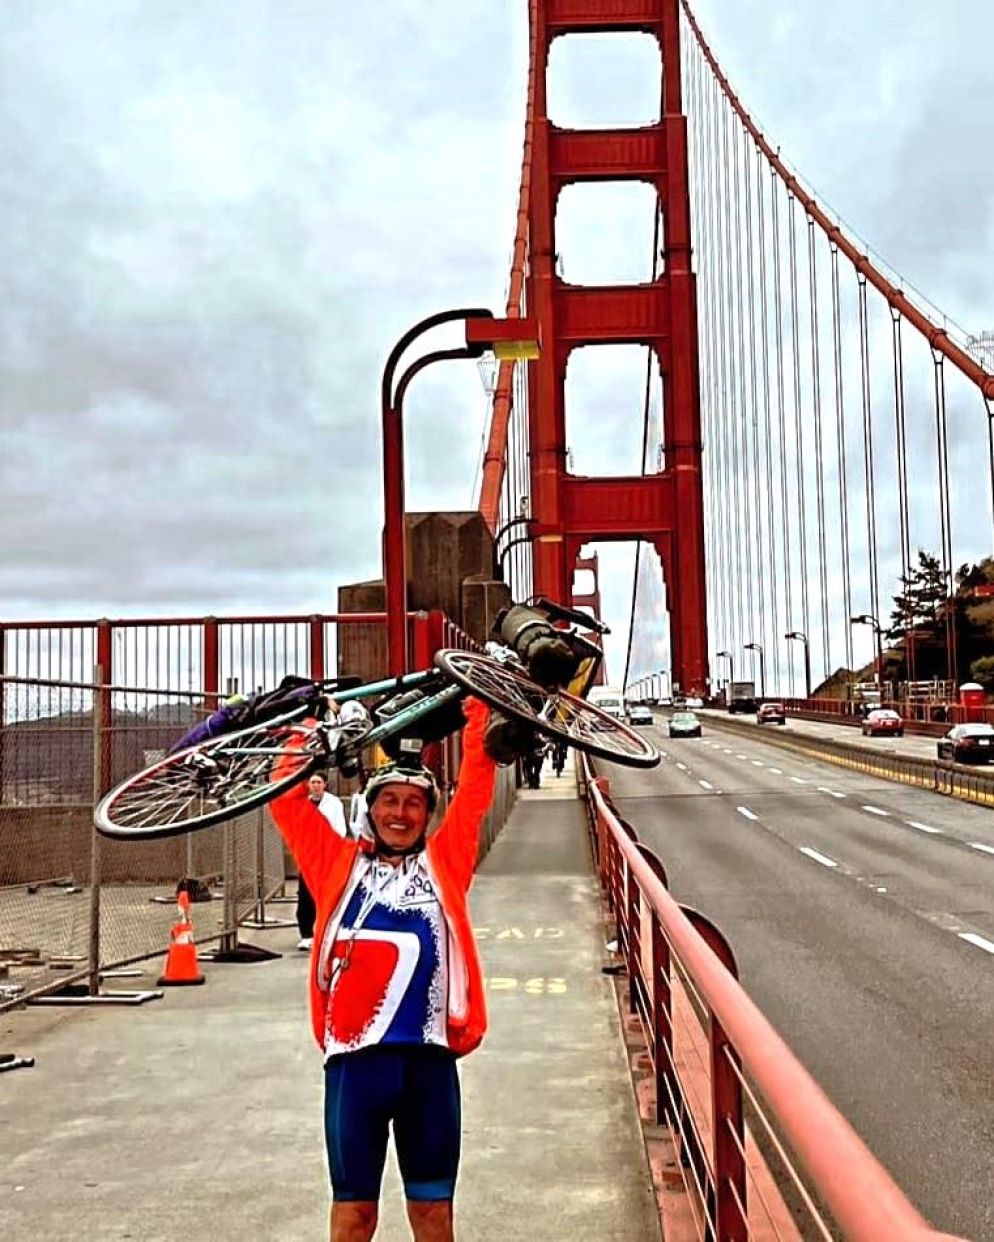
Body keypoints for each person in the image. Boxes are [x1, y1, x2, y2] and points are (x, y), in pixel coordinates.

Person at [270, 696, 497, 1242]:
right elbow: (285, 796)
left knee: (433, 1215)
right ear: (370, 809)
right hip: (356, 1068)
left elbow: (475, 791)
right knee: (353, 1216)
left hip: (429, 1067)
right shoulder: (335, 865)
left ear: (427, 813)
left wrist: (478, 706)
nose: (401, 813)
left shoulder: (445, 863)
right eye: (389, 801)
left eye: (414, 803)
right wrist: (310, 724)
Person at [296, 772, 348, 952]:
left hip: (327, 856)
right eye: (313, 782)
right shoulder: (303, 804)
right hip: (308, 856)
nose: (316, 785)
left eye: (319, 782)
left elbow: (340, 828)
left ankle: (327, 931)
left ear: (325, 784)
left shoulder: (334, 803)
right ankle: (306, 935)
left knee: (326, 895)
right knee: (305, 895)